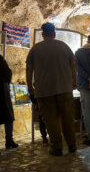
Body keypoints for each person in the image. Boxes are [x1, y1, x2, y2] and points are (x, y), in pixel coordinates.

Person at [26, 22, 77, 156]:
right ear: (54, 33)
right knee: (67, 117)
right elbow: (73, 64)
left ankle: (57, 147)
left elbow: (29, 68)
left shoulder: (35, 49)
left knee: (51, 120)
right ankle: (72, 144)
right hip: (64, 88)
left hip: (44, 90)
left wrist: (29, 86)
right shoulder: (64, 46)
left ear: (43, 34)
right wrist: (74, 81)